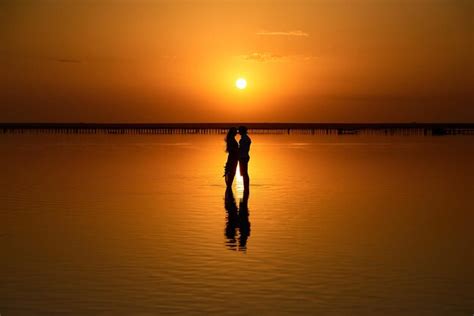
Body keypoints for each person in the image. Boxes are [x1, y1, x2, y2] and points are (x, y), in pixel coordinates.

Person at [238, 126, 251, 190]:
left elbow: (242, 148)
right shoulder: (245, 138)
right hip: (244, 156)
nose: (238, 132)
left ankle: (246, 187)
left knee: (244, 173)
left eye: (239, 130)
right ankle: (246, 187)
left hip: (243, 157)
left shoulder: (244, 139)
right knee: (244, 172)